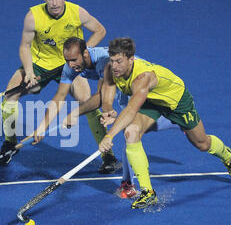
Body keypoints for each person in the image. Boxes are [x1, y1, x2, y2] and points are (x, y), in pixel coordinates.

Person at [95, 37, 231, 209]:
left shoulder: (142, 79)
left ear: (131, 59)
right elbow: (108, 87)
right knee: (131, 132)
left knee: (202, 143)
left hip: (176, 101)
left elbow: (131, 110)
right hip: (152, 102)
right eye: (112, 61)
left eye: (119, 61)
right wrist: (108, 109)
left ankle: (227, 157)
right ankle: (148, 192)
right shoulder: (110, 69)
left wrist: (109, 135)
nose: (115, 66)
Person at [0, 0, 120, 173]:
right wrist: (28, 72)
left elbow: (100, 30)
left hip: (70, 65)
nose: (54, 3)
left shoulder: (77, 12)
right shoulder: (33, 16)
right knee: (10, 95)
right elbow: (24, 47)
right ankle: (10, 144)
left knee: (88, 103)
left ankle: (108, 156)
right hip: (40, 65)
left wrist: (80, 53)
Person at [58, 37, 179, 198]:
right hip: (125, 90)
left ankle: (127, 183)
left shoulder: (105, 63)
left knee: (130, 132)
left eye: (74, 59)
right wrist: (105, 110)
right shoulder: (78, 66)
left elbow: (102, 98)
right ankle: (176, 122)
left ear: (85, 54)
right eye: (68, 60)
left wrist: (77, 113)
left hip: (140, 87)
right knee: (139, 129)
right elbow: (104, 97)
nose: (71, 64)